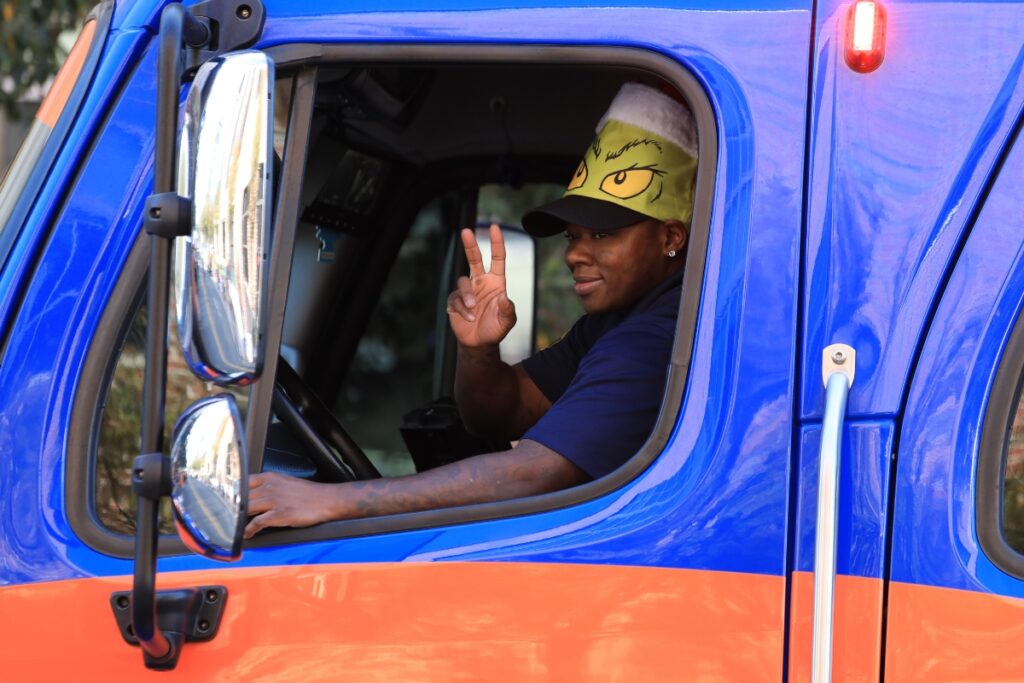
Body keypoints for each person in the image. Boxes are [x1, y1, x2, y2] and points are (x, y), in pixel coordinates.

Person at [244, 82, 697, 538]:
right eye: (573, 237)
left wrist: (331, 501)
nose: (574, 255)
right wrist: (479, 351)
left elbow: (535, 475)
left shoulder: (660, 335)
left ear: (671, 238)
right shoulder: (612, 324)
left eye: (602, 235)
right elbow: (501, 414)